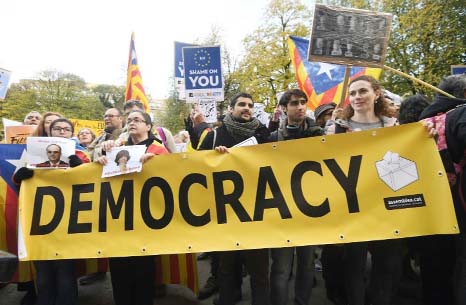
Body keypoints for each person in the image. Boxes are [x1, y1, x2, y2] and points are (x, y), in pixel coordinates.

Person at [326, 75, 403, 305]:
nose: (357, 97)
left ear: (376, 93)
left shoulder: (395, 126)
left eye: (362, 91)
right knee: (353, 267)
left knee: (386, 266)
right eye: (352, 93)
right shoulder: (337, 129)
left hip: (385, 207)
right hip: (353, 207)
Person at [199, 92, 271, 305]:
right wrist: (214, 158)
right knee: (227, 265)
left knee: (259, 269)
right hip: (225, 211)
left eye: (250, 104)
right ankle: (229, 297)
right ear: (231, 109)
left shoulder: (264, 135)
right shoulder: (214, 136)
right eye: (241, 104)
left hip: (257, 210)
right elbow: (197, 167)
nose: (246, 108)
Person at [13, 118, 89, 305]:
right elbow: (16, 178)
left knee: (65, 271)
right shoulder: (31, 154)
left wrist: (81, 168)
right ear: (49, 131)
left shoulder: (81, 154)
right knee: (44, 272)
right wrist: (21, 176)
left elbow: (92, 182)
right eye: (57, 128)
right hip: (39, 220)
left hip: (69, 220)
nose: (62, 131)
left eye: (66, 129)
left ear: (72, 134)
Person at [96, 109, 168, 305]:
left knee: (144, 272)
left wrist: (157, 164)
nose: (132, 123)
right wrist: (101, 159)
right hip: (118, 218)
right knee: (119, 272)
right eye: (129, 120)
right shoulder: (115, 149)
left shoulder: (159, 150)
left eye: (137, 119)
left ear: (148, 126)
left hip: (146, 220)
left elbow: (171, 177)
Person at [268, 89, 323, 305]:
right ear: (283, 108)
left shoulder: (320, 137)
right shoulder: (272, 138)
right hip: (282, 212)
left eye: (303, 102)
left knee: (307, 264)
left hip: (310, 210)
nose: (300, 107)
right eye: (294, 103)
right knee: (281, 268)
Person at [417, 74, 466, 305]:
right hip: (457, 204)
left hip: (425, 204)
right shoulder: (460, 116)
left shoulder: (423, 120)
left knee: (433, 261)